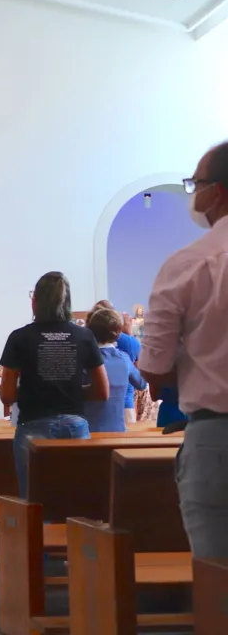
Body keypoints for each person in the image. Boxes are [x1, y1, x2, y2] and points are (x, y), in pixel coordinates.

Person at [139, 141, 228, 559]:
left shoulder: (188, 264)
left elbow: (153, 371)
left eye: (198, 184)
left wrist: (197, 366)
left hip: (217, 434)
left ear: (219, 193)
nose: (195, 194)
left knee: (217, 580)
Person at [0, 272, 108, 498]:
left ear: (35, 301)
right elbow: (103, 391)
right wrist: (72, 390)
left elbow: (7, 396)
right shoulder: (84, 336)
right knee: (76, 500)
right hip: (74, 425)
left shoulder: (19, 338)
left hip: (33, 426)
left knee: (34, 502)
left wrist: (33, 391)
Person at [83, 308, 147, 433]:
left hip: (89, 431)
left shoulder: (83, 359)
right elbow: (142, 384)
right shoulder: (124, 359)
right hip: (118, 430)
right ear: (117, 333)